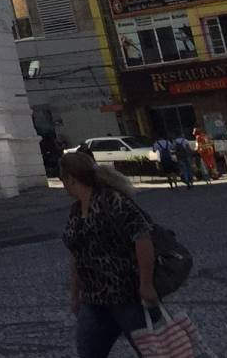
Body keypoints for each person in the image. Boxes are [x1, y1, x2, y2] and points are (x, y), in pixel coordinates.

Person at [60, 149, 158, 358]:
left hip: (126, 294)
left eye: (63, 179)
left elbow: (142, 237)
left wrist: (146, 284)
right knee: (88, 351)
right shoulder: (76, 210)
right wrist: (74, 294)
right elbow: (77, 253)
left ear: (70, 178)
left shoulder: (111, 200)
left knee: (151, 351)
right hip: (93, 298)